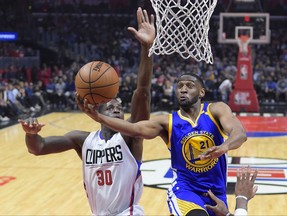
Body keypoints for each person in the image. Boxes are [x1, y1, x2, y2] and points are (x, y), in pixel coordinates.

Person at [19, 7, 155, 216]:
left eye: (120, 105)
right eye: (111, 105)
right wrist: (31, 135)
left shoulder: (130, 137)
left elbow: (143, 93)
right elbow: (38, 148)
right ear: (96, 110)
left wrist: (146, 49)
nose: (117, 107)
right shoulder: (82, 141)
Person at [81, 73, 247, 216]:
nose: (183, 89)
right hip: (185, 191)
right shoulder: (167, 122)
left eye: (189, 85)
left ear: (202, 91)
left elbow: (240, 133)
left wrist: (225, 146)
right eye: (179, 86)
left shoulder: (216, 110)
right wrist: (99, 118)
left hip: (217, 191)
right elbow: (135, 129)